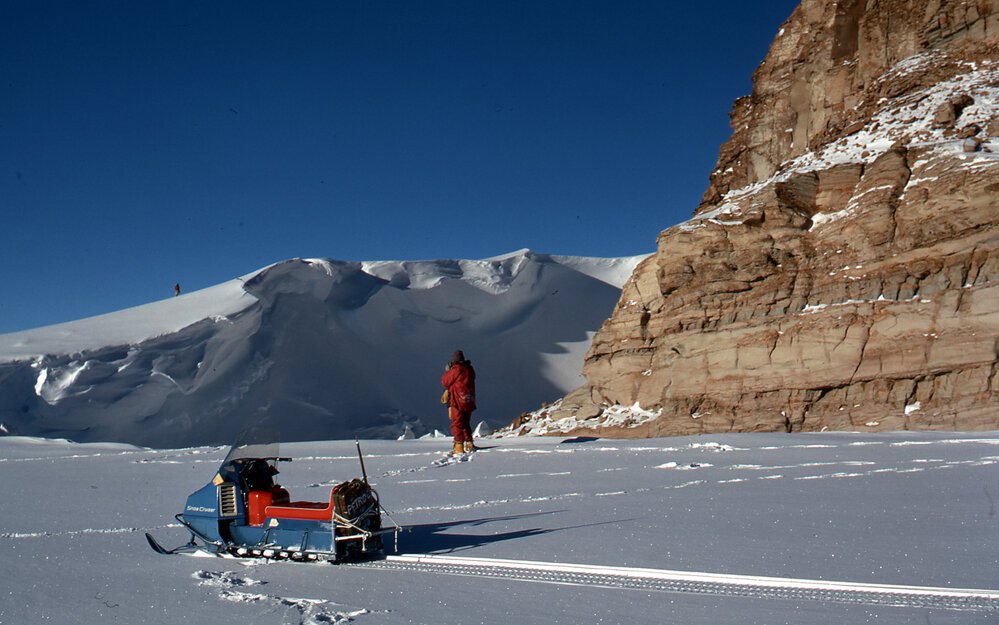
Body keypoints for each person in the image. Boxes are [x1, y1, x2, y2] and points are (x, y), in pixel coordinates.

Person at [441, 350, 476, 454]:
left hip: (457, 400)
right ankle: (469, 443)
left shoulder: (456, 370)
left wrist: (449, 371)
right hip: (468, 400)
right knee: (465, 423)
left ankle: (459, 446)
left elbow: (445, 381)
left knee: (457, 423)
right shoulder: (470, 369)